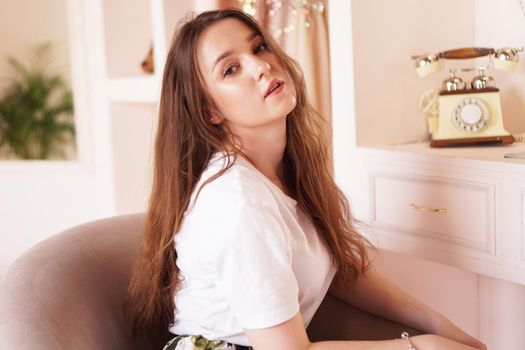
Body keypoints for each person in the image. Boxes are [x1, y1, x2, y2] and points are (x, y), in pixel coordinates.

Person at [125, 8, 487, 350]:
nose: (261, 66)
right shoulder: (239, 204)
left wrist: (438, 325)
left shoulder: (284, 171)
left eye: (259, 47)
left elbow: (340, 272)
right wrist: (418, 345)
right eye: (231, 69)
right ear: (209, 112)